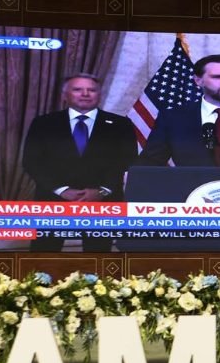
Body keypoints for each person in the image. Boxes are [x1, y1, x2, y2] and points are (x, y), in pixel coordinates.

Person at [20, 72, 138, 251]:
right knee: (44, 256)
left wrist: (101, 191)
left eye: (91, 90)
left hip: (101, 202)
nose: (85, 94)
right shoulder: (44, 123)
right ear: (64, 95)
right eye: (77, 90)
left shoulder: (120, 124)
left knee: (98, 257)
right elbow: (32, 161)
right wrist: (63, 190)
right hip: (53, 201)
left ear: (99, 94)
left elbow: (127, 160)